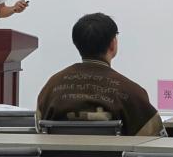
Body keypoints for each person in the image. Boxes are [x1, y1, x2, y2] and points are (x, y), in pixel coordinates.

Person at [36, 13, 164, 137]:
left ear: (77, 44)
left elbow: (39, 129)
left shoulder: (51, 87)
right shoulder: (132, 92)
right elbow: (154, 139)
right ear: (112, 44)